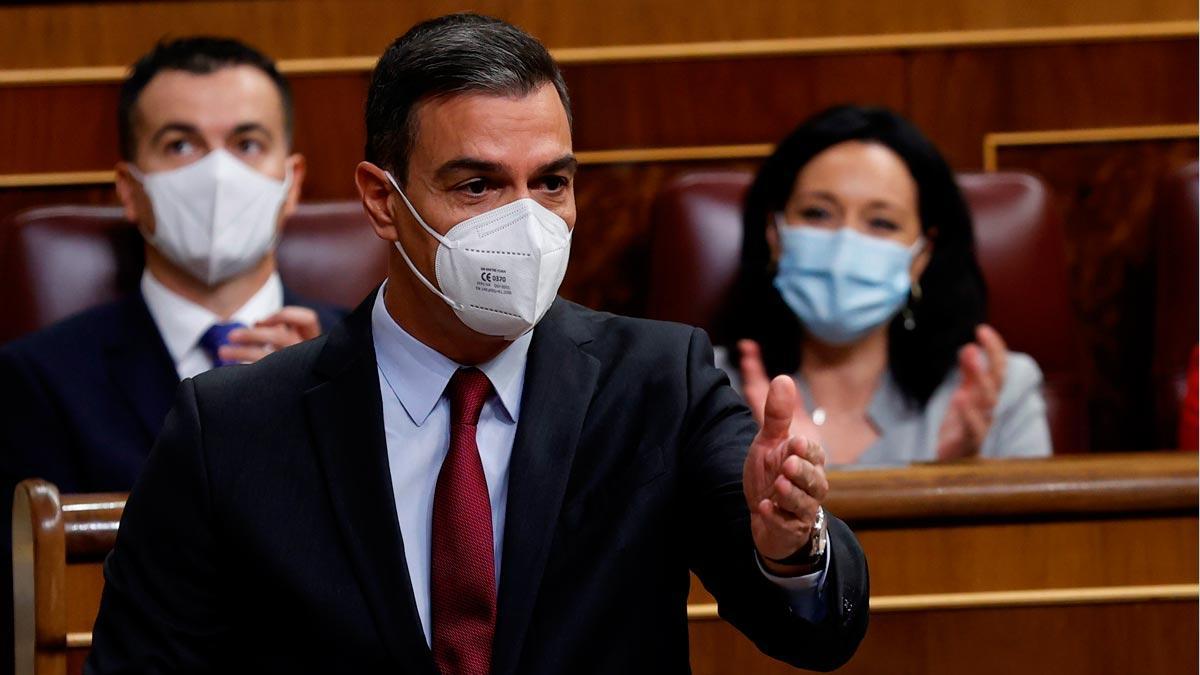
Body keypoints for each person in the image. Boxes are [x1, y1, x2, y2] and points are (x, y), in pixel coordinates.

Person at [85, 14, 868, 674]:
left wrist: (791, 548)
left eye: (551, 182)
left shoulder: (663, 381)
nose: (524, 223)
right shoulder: (230, 426)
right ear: (382, 200)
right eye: (478, 186)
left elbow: (813, 631)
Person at [0, 38, 343, 674]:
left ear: (290, 183)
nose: (217, 176)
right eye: (180, 145)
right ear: (130, 189)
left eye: (246, 144)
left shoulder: (369, 357)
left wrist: (327, 406)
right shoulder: (38, 380)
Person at [722, 105, 1052, 466]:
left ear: (920, 256)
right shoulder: (705, 388)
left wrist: (953, 479)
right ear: (774, 234)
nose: (844, 248)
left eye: (881, 223)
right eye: (817, 213)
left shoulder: (998, 393)